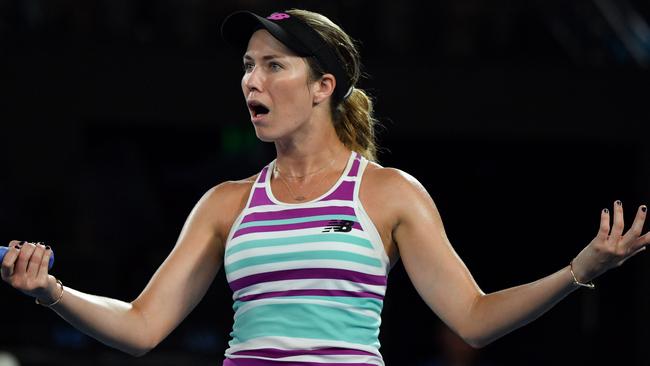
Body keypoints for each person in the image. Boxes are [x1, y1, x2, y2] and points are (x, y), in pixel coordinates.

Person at [2, 8, 649, 366]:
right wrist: (52, 293)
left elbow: (473, 320)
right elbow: (143, 326)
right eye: (247, 67)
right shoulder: (225, 204)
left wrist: (578, 270)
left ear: (323, 87)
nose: (251, 82)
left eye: (273, 66)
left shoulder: (388, 194)